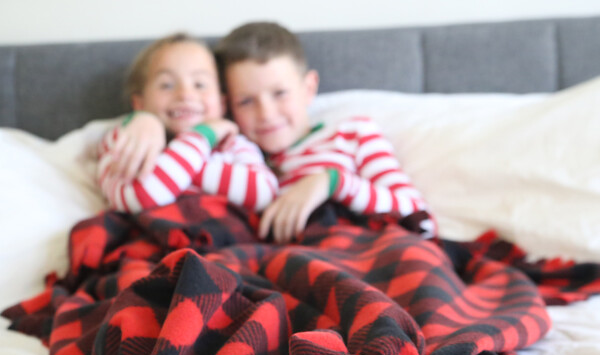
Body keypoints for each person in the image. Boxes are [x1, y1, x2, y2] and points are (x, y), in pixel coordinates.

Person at [214, 22, 436, 243]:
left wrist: (332, 183)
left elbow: (420, 219)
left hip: (365, 251)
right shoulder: (240, 162)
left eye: (280, 93)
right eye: (245, 101)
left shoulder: (351, 135)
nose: (266, 114)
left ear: (308, 88)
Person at [97, 33, 278, 213]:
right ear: (139, 103)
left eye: (200, 84)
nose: (185, 94)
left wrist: (173, 167)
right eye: (166, 85)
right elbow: (143, 196)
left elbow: (264, 193)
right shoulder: (125, 139)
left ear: (222, 104)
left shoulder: (232, 145)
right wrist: (201, 135)